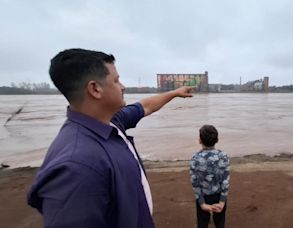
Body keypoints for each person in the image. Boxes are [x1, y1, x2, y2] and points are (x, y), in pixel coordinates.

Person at [27, 48, 193, 228]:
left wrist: (174, 93)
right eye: (116, 80)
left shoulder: (112, 122)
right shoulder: (76, 165)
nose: (123, 86)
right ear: (95, 89)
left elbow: (145, 106)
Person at [190, 125, 230, 228]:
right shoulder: (223, 156)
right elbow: (225, 181)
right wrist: (222, 201)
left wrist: (202, 204)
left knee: (202, 224)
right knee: (220, 223)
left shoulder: (195, 158)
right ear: (217, 140)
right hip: (218, 195)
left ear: (200, 140)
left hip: (203, 195)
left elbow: (195, 182)